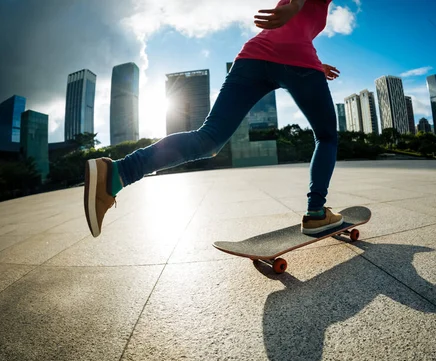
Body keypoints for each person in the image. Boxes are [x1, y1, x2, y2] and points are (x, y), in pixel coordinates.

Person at [84, 0, 343, 238]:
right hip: (296, 62)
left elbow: (295, 31)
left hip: (255, 57)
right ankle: (316, 213)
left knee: (209, 139)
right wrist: (296, 5)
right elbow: (296, 21)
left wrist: (316, 62)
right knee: (326, 136)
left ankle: (119, 172)